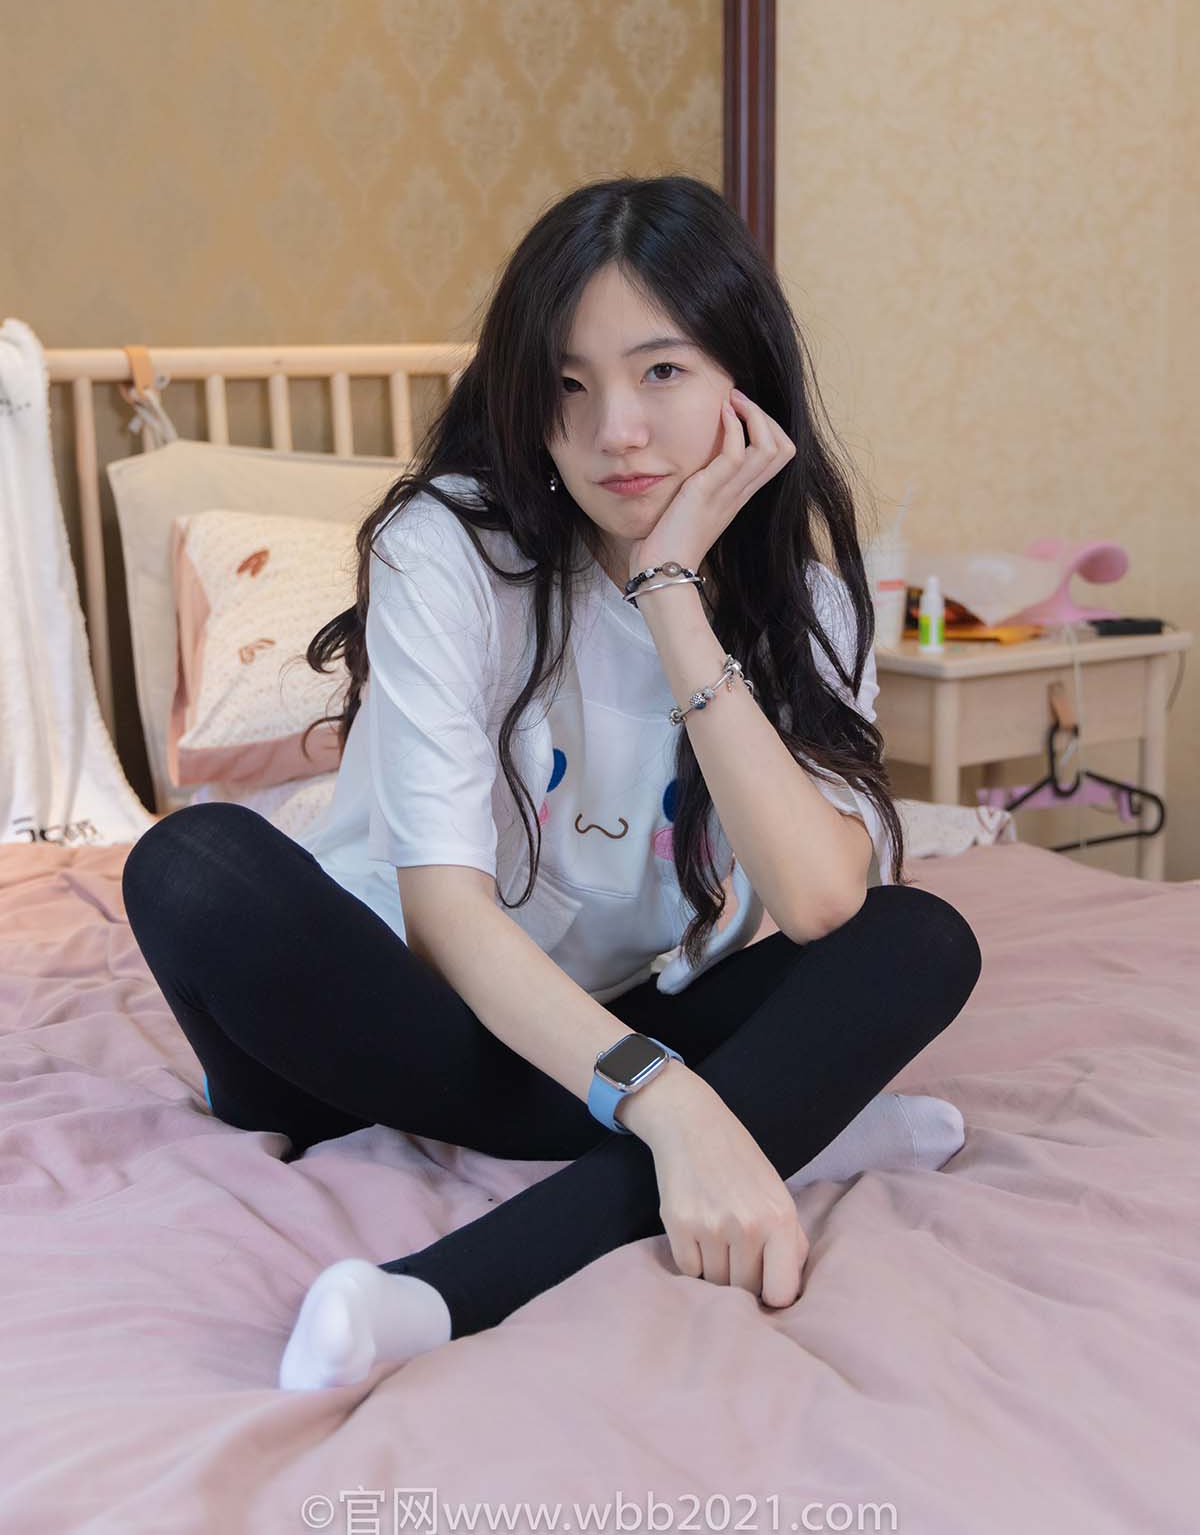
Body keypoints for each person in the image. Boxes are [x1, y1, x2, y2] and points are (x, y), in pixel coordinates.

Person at [121, 174, 982, 1392]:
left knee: (920, 939)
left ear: (746, 380)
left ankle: (436, 1294)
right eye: (567, 385)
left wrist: (672, 594)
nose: (615, 429)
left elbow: (820, 900)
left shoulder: (811, 603)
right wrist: (681, 1109)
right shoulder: (447, 547)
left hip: (627, 1011)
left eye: (661, 370)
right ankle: (778, 1119)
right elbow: (447, 919)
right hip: (406, 1015)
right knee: (191, 865)